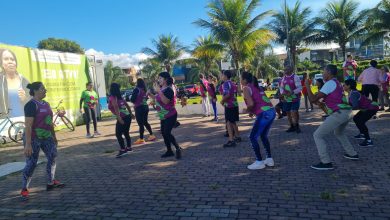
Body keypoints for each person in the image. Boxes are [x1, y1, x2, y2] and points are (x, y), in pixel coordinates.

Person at [305, 64, 358, 170]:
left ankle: (326, 162)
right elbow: (322, 102)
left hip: (340, 113)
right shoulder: (336, 82)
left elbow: (312, 99)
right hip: (347, 112)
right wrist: (320, 104)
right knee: (339, 133)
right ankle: (352, 154)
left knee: (317, 135)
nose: (322, 73)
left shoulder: (329, 83)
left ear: (329, 72)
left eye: (323, 71)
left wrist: (307, 85)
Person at [21, 82, 64, 200]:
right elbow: (28, 126)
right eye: (43, 89)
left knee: (53, 155)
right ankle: (24, 188)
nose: (45, 91)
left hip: (47, 136)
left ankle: (51, 182)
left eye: (45, 89)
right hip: (33, 138)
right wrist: (28, 144)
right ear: (35, 91)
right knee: (32, 163)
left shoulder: (46, 104)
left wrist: (54, 137)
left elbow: (49, 121)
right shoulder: (31, 105)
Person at [241, 72, 276, 170]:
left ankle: (259, 161)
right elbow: (260, 100)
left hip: (264, 114)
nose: (240, 80)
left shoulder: (246, 88)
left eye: (241, 78)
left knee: (252, 137)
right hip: (271, 111)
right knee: (263, 135)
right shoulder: (257, 86)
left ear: (244, 80)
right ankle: (269, 159)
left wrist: (246, 110)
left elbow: (251, 103)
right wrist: (252, 111)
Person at [147, 72, 182, 159]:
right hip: (163, 115)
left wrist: (158, 91)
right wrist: (150, 94)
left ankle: (178, 148)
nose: (159, 80)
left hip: (171, 115)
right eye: (159, 79)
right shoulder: (162, 89)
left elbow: (165, 101)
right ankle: (169, 151)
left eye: (160, 78)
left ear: (165, 79)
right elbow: (157, 98)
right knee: (164, 133)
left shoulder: (169, 89)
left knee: (167, 132)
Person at [344, 79, 379, 147]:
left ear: (349, 86)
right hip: (367, 108)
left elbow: (355, 107)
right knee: (356, 118)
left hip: (372, 108)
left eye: (344, 85)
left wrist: (345, 108)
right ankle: (362, 133)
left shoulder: (353, 93)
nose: (343, 86)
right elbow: (353, 105)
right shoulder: (351, 92)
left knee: (360, 121)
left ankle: (368, 141)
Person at [0, 48, 30, 117]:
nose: (10, 62)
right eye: (6, 59)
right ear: (1, 63)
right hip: (6, 124)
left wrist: (25, 99)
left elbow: (34, 101)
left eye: (12, 59)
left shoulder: (24, 80)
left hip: (25, 121)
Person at [108, 83, 135, 158]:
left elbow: (116, 106)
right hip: (127, 117)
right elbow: (127, 105)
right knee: (126, 132)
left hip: (122, 117)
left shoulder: (113, 97)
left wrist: (119, 118)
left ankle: (123, 150)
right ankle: (129, 148)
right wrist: (131, 114)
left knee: (118, 134)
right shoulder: (120, 97)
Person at [130, 78, 156, 145]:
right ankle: (151, 135)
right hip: (145, 107)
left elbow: (132, 99)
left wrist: (130, 98)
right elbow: (146, 98)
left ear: (137, 83)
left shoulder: (136, 89)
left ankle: (141, 139)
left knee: (140, 124)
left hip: (139, 108)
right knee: (145, 122)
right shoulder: (144, 90)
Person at [221, 70, 241, 147]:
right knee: (233, 122)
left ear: (225, 76)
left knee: (228, 122)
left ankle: (231, 140)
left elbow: (227, 95)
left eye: (222, 75)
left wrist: (222, 101)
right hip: (235, 104)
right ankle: (238, 136)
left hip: (229, 105)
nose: (222, 77)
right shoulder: (232, 83)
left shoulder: (225, 84)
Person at [279, 65, 302, 133]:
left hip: (295, 99)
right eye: (284, 69)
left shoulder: (295, 77)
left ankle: (297, 126)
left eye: (286, 69)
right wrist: (282, 92)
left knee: (294, 112)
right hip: (287, 99)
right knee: (288, 113)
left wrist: (292, 92)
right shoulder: (283, 78)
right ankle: (292, 126)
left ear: (291, 70)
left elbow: (300, 88)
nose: (285, 70)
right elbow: (281, 87)